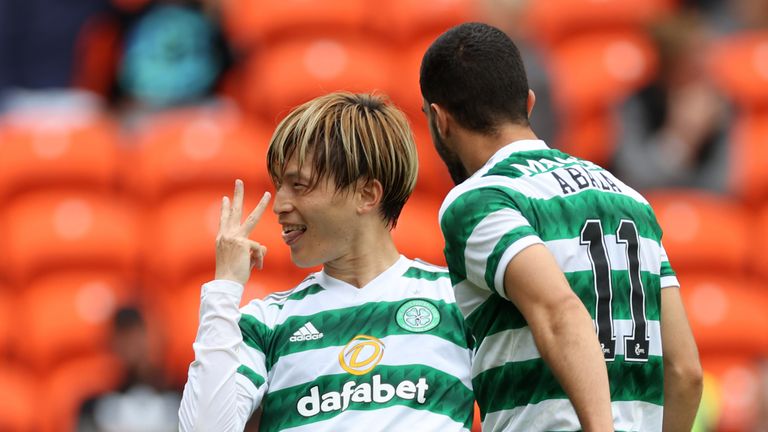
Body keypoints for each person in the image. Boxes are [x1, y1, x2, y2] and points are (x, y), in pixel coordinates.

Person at [419, 22, 703, 431]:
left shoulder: (480, 199)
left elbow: (559, 312)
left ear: (440, 119)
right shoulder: (630, 198)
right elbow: (685, 371)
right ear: (530, 103)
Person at [178, 92, 474, 431]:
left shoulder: (457, 300)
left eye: (299, 186)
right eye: (279, 187)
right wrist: (224, 289)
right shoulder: (267, 323)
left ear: (367, 194)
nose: (279, 206)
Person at [78, 306, 181, 432]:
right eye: (124, 336)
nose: (131, 344)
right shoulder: (95, 408)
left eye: (136, 334)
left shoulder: (181, 398)